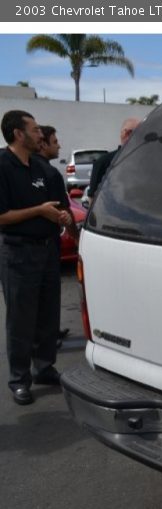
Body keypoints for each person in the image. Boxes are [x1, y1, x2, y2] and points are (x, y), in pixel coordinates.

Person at [0, 110, 72, 405]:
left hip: (48, 250)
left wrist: (63, 216)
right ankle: (19, 379)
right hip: (18, 253)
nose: (40, 134)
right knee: (21, 320)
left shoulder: (41, 168)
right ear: (18, 134)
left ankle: (44, 367)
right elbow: (2, 217)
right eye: (34, 130)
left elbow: (60, 206)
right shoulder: (3, 166)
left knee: (48, 314)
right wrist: (39, 211)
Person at [37, 125, 77, 346]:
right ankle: (46, 338)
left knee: (38, 296)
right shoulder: (50, 173)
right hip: (45, 245)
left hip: (31, 246)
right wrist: (77, 239)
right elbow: (66, 210)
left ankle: (48, 332)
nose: (59, 145)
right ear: (42, 144)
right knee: (47, 294)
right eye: (55, 142)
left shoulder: (29, 169)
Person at [87, 117, 140, 201]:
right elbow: (92, 198)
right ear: (124, 134)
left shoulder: (146, 162)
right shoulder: (103, 162)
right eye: (129, 132)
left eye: (139, 133)